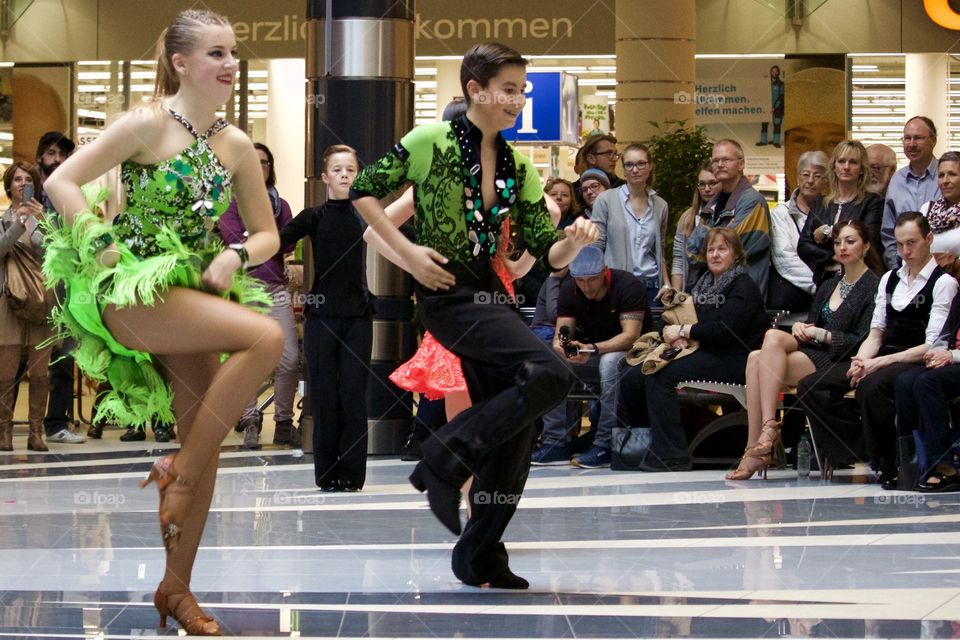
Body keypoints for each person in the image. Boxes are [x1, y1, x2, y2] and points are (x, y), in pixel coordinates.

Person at [43, 9, 284, 634]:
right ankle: (178, 472)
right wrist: (96, 238)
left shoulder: (235, 144)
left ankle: (176, 591)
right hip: (135, 291)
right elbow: (62, 181)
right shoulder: (147, 123)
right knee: (267, 337)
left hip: (193, 293)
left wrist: (235, 254)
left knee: (206, 444)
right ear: (181, 63)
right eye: (215, 54)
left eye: (233, 52)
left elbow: (267, 235)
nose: (230, 64)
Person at [350, 42, 598, 590]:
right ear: (476, 90)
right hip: (448, 297)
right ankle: (445, 454)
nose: (518, 100)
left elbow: (544, 255)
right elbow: (363, 192)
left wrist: (571, 244)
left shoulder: (516, 166)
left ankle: (480, 554)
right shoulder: (429, 142)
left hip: (495, 297)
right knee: (553, 374)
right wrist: (410, 254)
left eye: (521, 90)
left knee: (515, 441)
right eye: (509, 89)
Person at [797, 213, 957, 487]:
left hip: (914, 357)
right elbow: (876, 332)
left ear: (929, 239)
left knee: (871, 387)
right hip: (883, 354)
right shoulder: (889, 279)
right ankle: (866, 447)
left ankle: (886, 463)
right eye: (900, 244)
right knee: (812, 386)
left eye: (912, 243)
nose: (905, 251)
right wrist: (862, 360)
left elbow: (932, 344)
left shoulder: (943, 283)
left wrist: (876, 365)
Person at [730, 221, 882, 480]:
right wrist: (803, 328)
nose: (842, 247)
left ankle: (757, 444)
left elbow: (863, 340)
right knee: (764, 347)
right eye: (837, 242)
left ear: (866, 246)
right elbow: (812, 329)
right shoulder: (828, 284)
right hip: (814, 351)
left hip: (842, 358)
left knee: (757, 360)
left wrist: (820, 333)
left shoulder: (875, 285)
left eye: (850, 241)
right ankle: (764, 434)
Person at [620, 228, 767, 472]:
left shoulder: (743, 286)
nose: (715, 255)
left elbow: (725, 330)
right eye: (711, 249)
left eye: (722, 249)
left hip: (737, 359)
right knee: (631, 376)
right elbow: (678, 315)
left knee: (660, 374)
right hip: (702, 352)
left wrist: (684, 332)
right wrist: (676, 336)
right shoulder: (703, 283)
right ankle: (645, 447)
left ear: (736, 254)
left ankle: (672, 455)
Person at [530, 245, 647, 467]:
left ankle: (604, 445)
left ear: (604, 271)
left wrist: (592, 348)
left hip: (632, 355)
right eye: (580, 280)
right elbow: (560, 334)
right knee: (551, 360)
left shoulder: (628, 285)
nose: (586, 286)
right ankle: (555, 443)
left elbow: (631, 336)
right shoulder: (569, 289)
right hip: (591, 352)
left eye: (591, 279)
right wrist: (563, 347)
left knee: (610, 362)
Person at [219, 141, 298, 450]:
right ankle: (251, 420)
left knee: (289, 358)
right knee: (247, 358)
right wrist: (267, 239)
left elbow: (286, 243)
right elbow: (236, 242)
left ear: (270, 168)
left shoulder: (282, 205)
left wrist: (261, 238)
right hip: (245, 289)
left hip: (276, 289)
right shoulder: (230, 203)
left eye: (264, 162)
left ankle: (283, 422)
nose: (259, 167)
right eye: (252, 161)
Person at [34, 131, 85, 445]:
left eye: (63, 155)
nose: (57, 160)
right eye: (52, 153)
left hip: (66, 283)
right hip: (28, 284)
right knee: (20, 356)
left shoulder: (72, 192)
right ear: (41, 156)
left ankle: (56, 423)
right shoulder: (28, 188)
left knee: (64, 354)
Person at [0, 162, 51, 451]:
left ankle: (36, 432)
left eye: (28, 179)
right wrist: (16, 224)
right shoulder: (2, 219)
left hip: (40, 300)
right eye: (17, 179)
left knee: (40, 371)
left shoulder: (44, 220)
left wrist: (38, 223)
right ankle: (4, 432)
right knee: (5, 370)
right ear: (9, 187)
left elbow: (52, 255)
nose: (22, 183)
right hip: (7, 299)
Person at [688, 139, 772, 297]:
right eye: (715, 160)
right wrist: (722, 234)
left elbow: (731, 253)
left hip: (744, 295)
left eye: (726, 159)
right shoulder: (714, 202)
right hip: (714, 294)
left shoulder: (753, 202)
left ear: (741, 164)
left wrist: (711, 237)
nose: (719, 164)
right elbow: (691, 252)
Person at [591, 143, 670, 308]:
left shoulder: (660, 205)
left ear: (650, 166)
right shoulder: (606, 200)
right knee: (620, 332)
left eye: (641, 163)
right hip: (616, 284)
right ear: (624, 169)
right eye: (629, 165)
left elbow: (660, 249)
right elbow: (597, 246)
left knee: (651, 334)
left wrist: (667, 284)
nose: (635, 169)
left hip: (652, 286)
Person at [895, 293, 960, 491]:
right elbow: (945, 334)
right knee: (904, 381)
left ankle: (943, 464)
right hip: (952, 359)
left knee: (927, 382)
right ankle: (911, 464)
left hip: (956, 359)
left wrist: (951, 355)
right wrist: (936, 350)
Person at [798, 140, 883, 285]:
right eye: (841, 161)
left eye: (853, 162)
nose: (846, 167)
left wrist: (827, 231)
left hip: (858, 282)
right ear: (834, 167)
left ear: (862, 169)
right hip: (824, 282)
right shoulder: (820, 203)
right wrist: (835, 256)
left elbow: (867, 242)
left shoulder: (871, 202)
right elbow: (804, 246)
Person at [767, 151, 827, 311]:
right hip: (794, 303)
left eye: (818, 176)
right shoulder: (781, 213)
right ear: (798, 177)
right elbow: (785, 258)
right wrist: (820, 287)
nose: (810, 181)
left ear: (826, 180)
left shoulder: (831, 210)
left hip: (826, 302)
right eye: (805, 174)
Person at [881, 116, 941, 269]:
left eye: (918, 138)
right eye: (907, 138)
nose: (912, 144)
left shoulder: (948, 176)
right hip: (904, 271)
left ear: (933, 140)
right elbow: (888, 233)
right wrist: (897, 269)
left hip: (943, 269)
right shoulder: (897, 180)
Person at [671, 160, 718, 291]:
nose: (707, 189)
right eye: (702, 184)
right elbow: (679, 258)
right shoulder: (688, 217)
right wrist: (676, 293)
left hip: (718, 289)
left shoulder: (727, 215)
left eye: (712, 183)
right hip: (690, 288)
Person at [919, 151, 960, 257]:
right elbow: (914, 248)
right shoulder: (927, 209)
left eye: (952, 174)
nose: (945, 181)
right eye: (941, 175)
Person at [573, 133, 624, 207]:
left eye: (615, 154)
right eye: (608, 154)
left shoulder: (623, 188)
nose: (614, 159)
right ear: (591, 158)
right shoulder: (573, 192)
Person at [756, 65, 784, 148]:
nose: (774, 73)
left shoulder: (781, 84)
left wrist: (774, 107)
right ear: (771, 72)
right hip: (766, 107)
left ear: (778, 73)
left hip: (778, 108)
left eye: (776, 71)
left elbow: (781, 97)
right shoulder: (766, 83)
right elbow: (761, 93)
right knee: (764, 124)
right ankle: (763, 141)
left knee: (777, 124)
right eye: (773, 71)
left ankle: (776, 142)